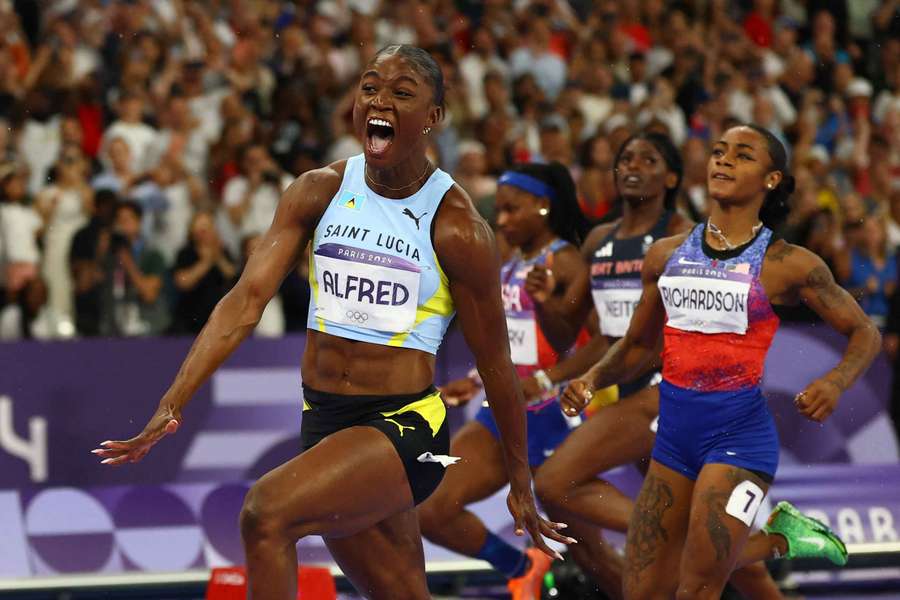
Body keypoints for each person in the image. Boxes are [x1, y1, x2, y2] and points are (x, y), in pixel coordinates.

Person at [94, 45, 567, 600]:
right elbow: (245, 301)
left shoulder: (457, 227)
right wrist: (172, 402)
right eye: (370, 87)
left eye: (401, 92)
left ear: (433, 117)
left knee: (264, 514)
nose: (379, 101)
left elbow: (495, 365)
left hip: (403, 426)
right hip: (324, 418)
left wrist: (520, 482)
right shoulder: (319, 191)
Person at [562, 124, 881, 600]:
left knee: (697, 588)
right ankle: (780, 537)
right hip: (673, 439)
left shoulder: (788, 264)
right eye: (718, 152)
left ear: (771, 179)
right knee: (643, 592)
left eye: (743, 155)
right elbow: (635, 347)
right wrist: (591, 376)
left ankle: (776, 540)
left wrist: (835, 382)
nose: (724, 161)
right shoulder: (664, 256)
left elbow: (865, 332)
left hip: (737, 440)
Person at [533, 132, 786, 599]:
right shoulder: (599, 241)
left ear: (671, 177)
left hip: (665, 387)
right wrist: (546, 305)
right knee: (722, 553)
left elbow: (678, 334)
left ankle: (681, 538)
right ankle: (752, 547)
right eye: (625, 157)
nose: (632, 166)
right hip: (627, 380)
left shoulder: (687, 236)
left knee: (554, 482)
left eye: (648, 160)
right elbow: (582, 334)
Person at [418, 162, 592, 600]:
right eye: (500, 210)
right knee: (429, 506)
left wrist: (548, 381)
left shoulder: (566, 262)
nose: (501, 220)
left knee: (585, 539)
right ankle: (523, 567)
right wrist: (476, 379)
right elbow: (513, 340)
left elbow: (595, 342)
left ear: (543, 206)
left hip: (552, 415)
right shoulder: (513, 262)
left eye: (513, 209)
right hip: (501, 408)